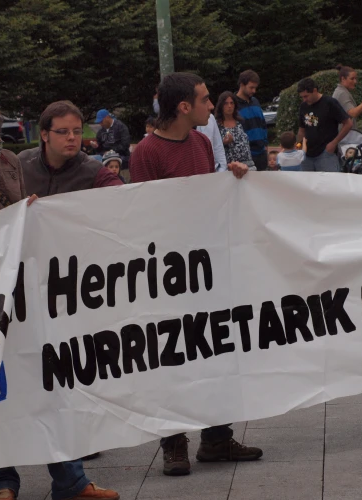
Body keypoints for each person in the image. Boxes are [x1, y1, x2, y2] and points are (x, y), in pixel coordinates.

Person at [0, 93, 121, 500]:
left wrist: (27, 210)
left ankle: (70, 478)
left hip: (22, 284)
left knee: (48, 377)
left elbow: (13, 214)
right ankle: (2, 481)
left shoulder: (9, 161)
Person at [129, 72, 262, 476]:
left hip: (207, 264)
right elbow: (143, 213)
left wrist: (232, 180)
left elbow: (208, 194)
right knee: (171, 356)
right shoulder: (147, 152)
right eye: (204, 100)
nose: (212, 105)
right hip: (170, 272)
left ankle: (217, 438)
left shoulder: (204, 142)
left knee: (216, 347)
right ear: (184, 106)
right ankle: (173, 443)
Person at [20, 101, 124, 195]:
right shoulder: (22, 163)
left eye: (77, 131)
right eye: (63, 131)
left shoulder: (94, 171)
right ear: (44, 135)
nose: (72, 137)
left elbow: (125, 197)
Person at [296, 77, 352, 172]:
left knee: (329, 184)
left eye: (306, 96)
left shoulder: (330, 103)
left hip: (325, 153)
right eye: (302, 97)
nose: (304, 99)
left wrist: (334, 143)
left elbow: (348, 123)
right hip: (307, 154)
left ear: (314, 90)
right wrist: (298, 145)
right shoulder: (303, 106)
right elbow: (302, 129)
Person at [332, 65, 362, 154]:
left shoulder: (342, 91)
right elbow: (353, 113)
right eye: (352, 79)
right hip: (344, 139)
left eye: (355, 78)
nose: (355, 81)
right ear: (343, 79)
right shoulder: (341, 93)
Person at [235, 70, 269, 170]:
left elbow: (263, 124)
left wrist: (266, 144)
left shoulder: (255, 101)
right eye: (251, 87)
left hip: (261, 153)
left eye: (255, 88)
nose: (254, 91)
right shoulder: (232, 104)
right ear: (242, 85)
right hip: (246, 156)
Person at [214, 91, 255, 171]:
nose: (229, 106)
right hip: (231, 167)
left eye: (232, 103)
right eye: (226, 103)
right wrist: (224, 142)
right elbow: (214, 146)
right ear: (221, 106)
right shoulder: (217, 125)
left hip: (248, 165)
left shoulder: (240, 122)